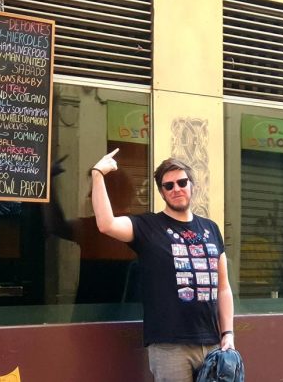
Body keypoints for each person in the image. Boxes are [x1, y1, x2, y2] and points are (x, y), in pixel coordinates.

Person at [91, 149, 235, 382]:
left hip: (213, 344)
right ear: (161, 192)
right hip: (170, 345)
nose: (176, 189)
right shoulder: (149, 227)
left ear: (192, 185)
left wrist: (227, 333)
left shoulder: (211, 228)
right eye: (169, 186)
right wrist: (97, 175)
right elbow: (106, 224)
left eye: (182, 182)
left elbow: (223, 288)